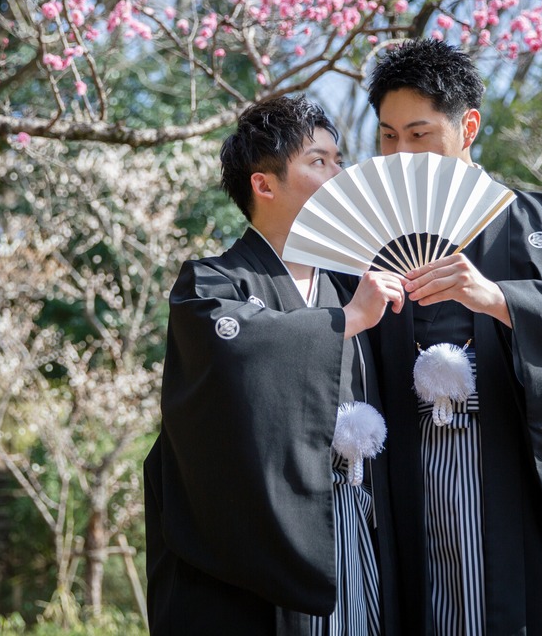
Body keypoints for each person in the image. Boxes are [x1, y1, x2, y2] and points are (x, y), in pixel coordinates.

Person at [365, 39, 542, 635]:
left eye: (419, 134)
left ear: (468, 127)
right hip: (413, 479)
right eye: (388, 136)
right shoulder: (370, 239)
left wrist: (502, 301)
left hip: (520, 480)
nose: (401, 153)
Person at [144, 95, 406, 635]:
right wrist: (346, 320)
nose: (339, 174)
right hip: (261, 541)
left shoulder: (352, 284)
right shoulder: (210, 286)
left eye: (339, 160)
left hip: (352, 519)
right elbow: (234, 363)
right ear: (264, 185)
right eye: (319, 161)